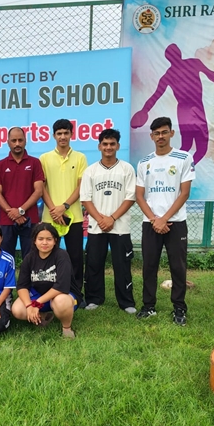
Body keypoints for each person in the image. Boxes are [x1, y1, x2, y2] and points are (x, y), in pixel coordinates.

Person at [135, 116, 195, 326]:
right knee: (149, 266)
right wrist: (154, 219)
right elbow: (139, 195)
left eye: (164, 132)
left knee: (178, 267)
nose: (160, 136)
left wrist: (165, 218)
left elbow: (184, 193)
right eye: (156, 133)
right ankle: (148, 306)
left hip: (175, 222)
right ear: (151, 136)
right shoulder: (144, 162)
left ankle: (179, 308)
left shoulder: (183, 158)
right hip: (151, 223)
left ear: (172, 133)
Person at [131, 43, 214, 165]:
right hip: (193, 110)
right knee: (198, 147)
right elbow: (211, 74)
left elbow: (155, 96)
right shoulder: (191, 64)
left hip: (186, 111)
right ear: (179, 53)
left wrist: (144, 111)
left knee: (189, 146)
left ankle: (179, 168)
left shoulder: (172, 73)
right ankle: (180, 168)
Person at [80, 128, 137, 313]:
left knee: (122, 265)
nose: (108, 147)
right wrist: (101, 219)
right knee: (94, 264)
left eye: (112, 144)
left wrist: (112, 218)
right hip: (97, 227)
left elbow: (131, 197)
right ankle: (94, 298)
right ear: (99, 146)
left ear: (118, 146)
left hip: (120, 226)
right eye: (105, 144)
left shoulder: (127, 169)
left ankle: (126, 302)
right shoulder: (91, 171)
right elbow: (85, 199)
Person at [40, 119, 88, 303]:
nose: (62, 137)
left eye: (66, 133)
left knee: (75, 257)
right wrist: (54, 210)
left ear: (71, 134)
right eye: (59, 133)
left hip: (73, 217)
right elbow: (41, 187)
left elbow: (81, 186)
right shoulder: (44, 158)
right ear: (54, 136)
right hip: (50, 217)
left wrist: (64, 207)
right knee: (48, 257)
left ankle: (76, 295)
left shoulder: (80, 158)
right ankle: (49, 294)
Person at [11, 223, 81, 339]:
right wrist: (29, 306)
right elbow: (22, 286)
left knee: (61, 301)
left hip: (62, 294)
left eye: (49, 239)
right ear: (34, 240)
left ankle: (67, 328)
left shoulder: (61, 255)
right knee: (17, 310)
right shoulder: (29, 258)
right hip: (39, 295)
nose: (44, 243)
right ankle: (43, 316)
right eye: (40, 239)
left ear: (55, 241)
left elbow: (61, 286)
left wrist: (36, 304)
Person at [0, 127, 45, 259]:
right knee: (5, 259)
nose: (17, 144)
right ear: (8, 142)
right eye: (14, 140)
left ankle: (27, 276)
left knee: (31, 258)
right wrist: (13, 213)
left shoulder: (35, 163)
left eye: (20, 140)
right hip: (7, 220)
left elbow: (39, 191)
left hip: (29, 219)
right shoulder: (1, 165)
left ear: (25, 141)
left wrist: (20, 211)